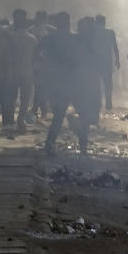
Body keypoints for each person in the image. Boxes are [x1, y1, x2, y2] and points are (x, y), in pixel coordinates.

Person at [42, 13, 78, 156]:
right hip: (68, 81)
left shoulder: (49, 38)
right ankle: (80, 141)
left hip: (53, 80)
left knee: (58, 113)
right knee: (67, 111)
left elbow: (40, 55)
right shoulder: (73, 39)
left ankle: (51, 142)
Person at [70, 17, 102, 155]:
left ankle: (83, 144)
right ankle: (83, 146)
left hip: (79, 81)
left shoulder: (74, 40)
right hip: (89, 82)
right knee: (88, 117)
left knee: (85, 115)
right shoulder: (93, 42)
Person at [7, 9, 38, 132]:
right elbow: (36, 57)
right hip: (27, 72)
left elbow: (6, 55)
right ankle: (20, 120)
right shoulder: (32, 39)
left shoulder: (10, 37)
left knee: (12, 97)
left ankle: (10, 120)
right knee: (25, 99)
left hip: (12, 72)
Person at [29, 10, 55, 118]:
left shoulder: (50, 30)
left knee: (41, 86)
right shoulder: (49, 30)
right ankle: (41, 109)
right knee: (40, 86)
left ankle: (38, 108)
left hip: (43, 63)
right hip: (39, 63)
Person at [93, 15, 120, 111]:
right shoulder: (110, 32)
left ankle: (98, 101)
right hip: (107, 61)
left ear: (96, 22)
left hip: (96, 60)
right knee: (108, 82)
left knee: (96, 82)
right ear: (104, 22)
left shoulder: (94, 32)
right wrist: (117, 60)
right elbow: (115, 47)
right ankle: (108, 102)